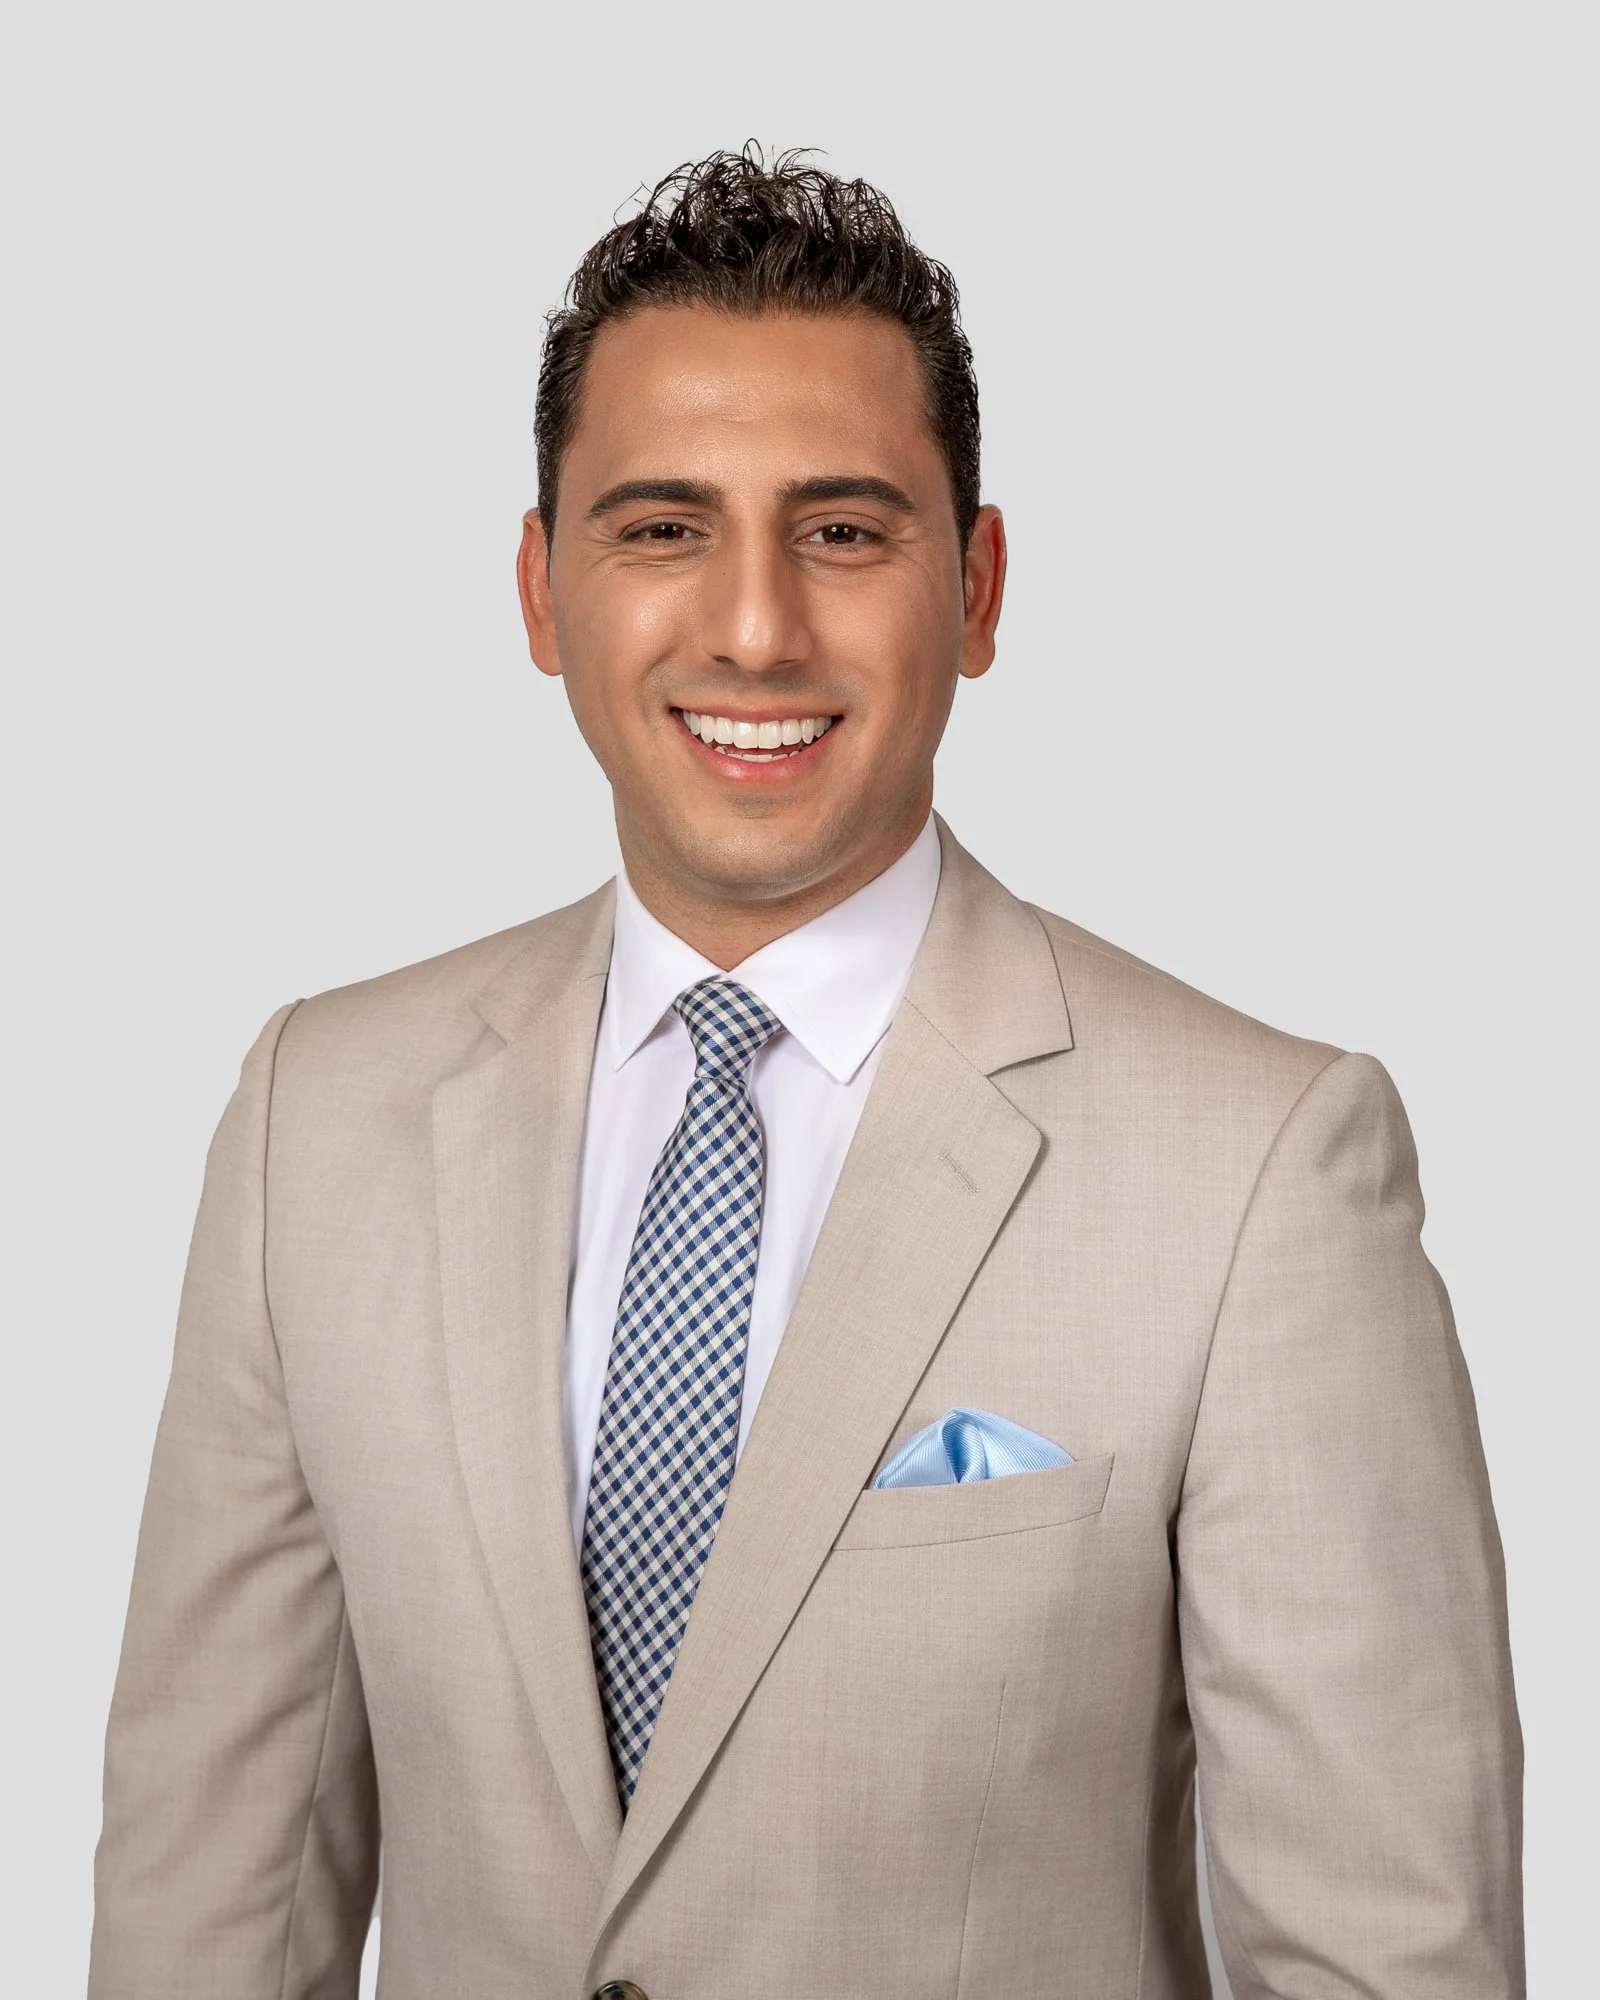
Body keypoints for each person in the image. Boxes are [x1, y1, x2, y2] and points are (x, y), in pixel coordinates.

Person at [89, 147, 1523, 2000]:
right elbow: (212, 1896)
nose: (755, 627)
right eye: (660, 528)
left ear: (981, 588)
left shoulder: (1261, 1169)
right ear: (542, 593)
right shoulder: (318, 1118)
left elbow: (1383, 1960)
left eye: (843, 531)